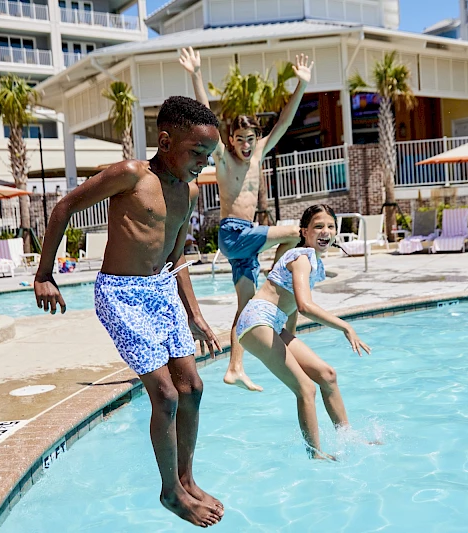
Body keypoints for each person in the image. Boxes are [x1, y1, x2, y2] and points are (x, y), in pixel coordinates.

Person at [33, 96, 225, 528]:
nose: (202, 163)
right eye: (196, 152)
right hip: (120, 294)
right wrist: (44, 273)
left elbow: (177, 257)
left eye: (208, 156)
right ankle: (170, 492)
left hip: (160, 291)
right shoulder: (131, 175)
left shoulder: (188, 192)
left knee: (192, 387)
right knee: (166, 394)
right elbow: (64, 207)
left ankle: (187, 478)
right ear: (165, 140)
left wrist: (193, 313)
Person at [179, 47, 315, 393]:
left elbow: (284, 121)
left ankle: (234, 367)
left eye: (250, 140)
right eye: (239, 140)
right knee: (297, 234)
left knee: (246, 307)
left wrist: (301, 85)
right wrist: (196, 73)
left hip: (245, 247)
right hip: (234, 232)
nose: (245, 145)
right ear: (230, 140)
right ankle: (279, 276)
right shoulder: (223, 160)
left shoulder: (259, 155)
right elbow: (207, 115)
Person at [236, 205, 371, 459]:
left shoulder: (315, 264)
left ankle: (348, 437)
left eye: (331, 226)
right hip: (257, 320)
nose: (325, 231)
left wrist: (292, 336)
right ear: (305, 232)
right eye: (318, 226)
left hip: (273, 324)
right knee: (306, 388)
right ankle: (316, 454)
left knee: (327, 375)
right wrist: (345, 326)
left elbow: (290, 304)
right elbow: (304, 305)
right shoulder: (301, 257)